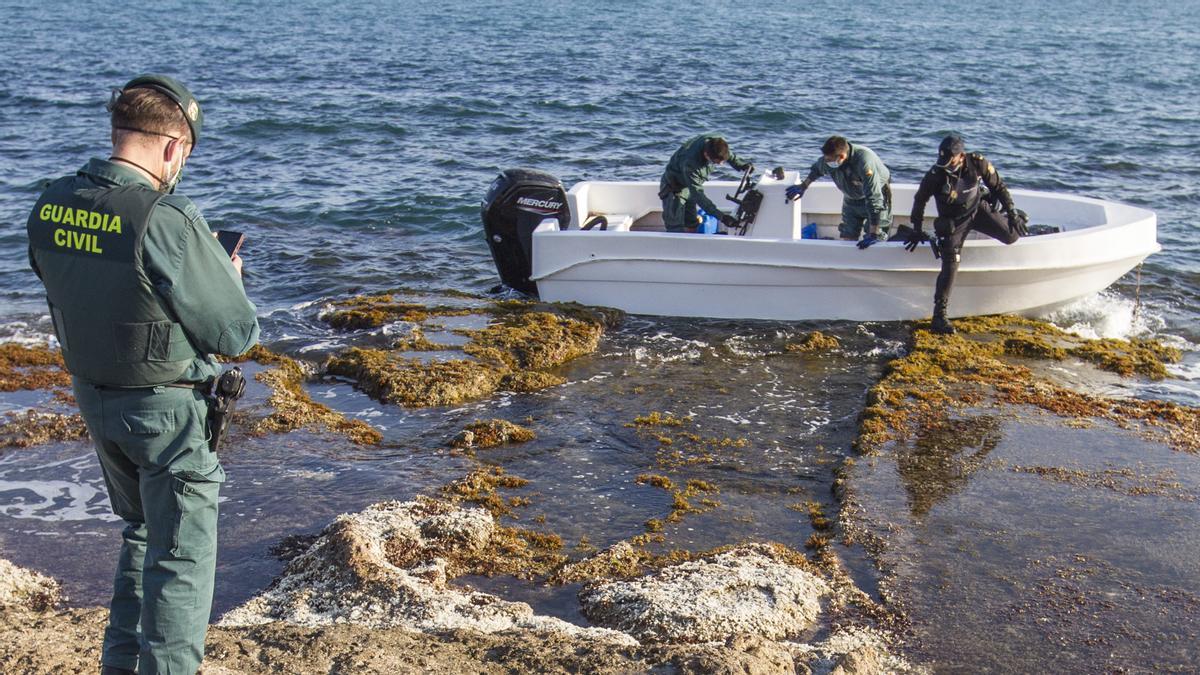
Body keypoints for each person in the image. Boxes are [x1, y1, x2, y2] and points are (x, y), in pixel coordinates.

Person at [25, 74, 260, 675]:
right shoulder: (167, 216)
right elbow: (234, 335)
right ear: (174, 148)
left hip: (95, 398)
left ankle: (120, 665)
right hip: (166, 411)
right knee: (181, 558)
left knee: (139, 531)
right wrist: (224, 273)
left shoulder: (50, 201)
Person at [902, 133, 1028, 334]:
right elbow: (919, 201)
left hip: (978, 209)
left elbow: (999, 186)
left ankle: (1015, 217)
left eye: (950, 160)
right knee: (951, 262)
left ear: (961, 156)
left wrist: (1012, 212)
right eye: (943, 160)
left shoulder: (977, 162)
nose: (946, 165)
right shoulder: (935, 174)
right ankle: (939, 316)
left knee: (1011, 236)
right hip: (953, 221)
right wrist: (916, 229)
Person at [785, 136, 893, 248]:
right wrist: (803, 186)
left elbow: (873, 197)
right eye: (825, 159)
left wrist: (873, 233)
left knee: (875, 239)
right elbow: (817, 169)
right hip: (851, 197)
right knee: (848, 236)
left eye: (829, 160)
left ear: (841, 156)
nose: (826, 162)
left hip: (876, 195)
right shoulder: (829, 159)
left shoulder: (864, 161)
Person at [659, 134, 753, 232]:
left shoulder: (716, 143)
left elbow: (728, 154)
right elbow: (698, 196)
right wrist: (722, 217)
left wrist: (742, 165)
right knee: (675, 227)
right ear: (706, 155)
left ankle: (692, 241)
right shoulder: (690, 164)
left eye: (722, 161)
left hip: (690, 186)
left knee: (692, 222)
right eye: (716, 162)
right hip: (674, 188)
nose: (720, 164)